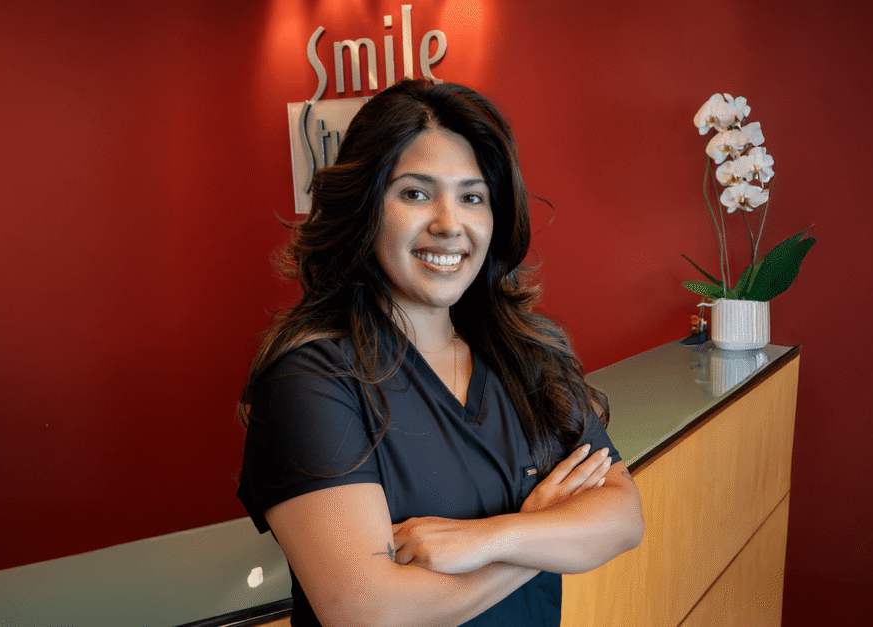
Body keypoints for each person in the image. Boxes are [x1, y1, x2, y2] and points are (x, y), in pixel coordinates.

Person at [237, 78, 644, 627]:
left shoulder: (524, 353)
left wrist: (493, 537)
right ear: (365, 207)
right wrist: (540, 537)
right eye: (415, 193)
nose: (449, 224)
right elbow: (369, 612)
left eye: (472, 197)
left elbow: (622, 515)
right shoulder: (312, 381)